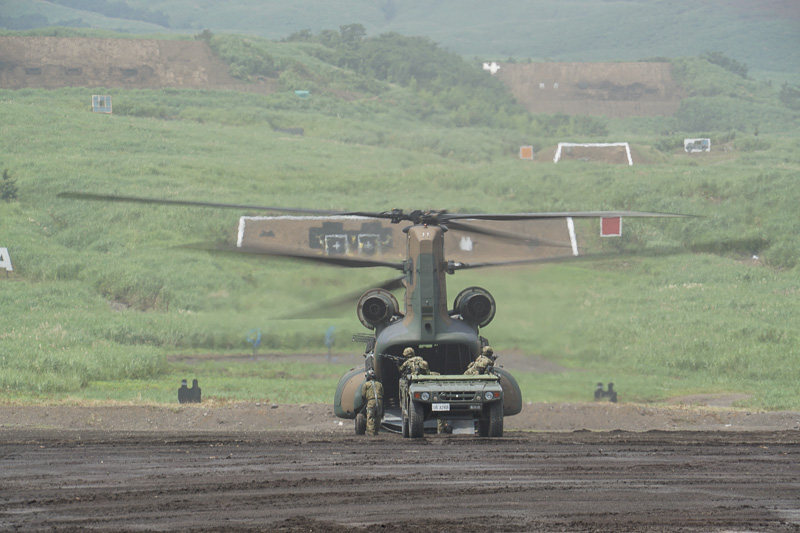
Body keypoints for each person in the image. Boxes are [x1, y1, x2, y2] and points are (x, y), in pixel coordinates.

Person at [360, 370, 384, 436]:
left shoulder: (366, 385)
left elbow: (363, 394)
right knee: (378, 417)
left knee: (370, 417)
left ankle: (371, 433)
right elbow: (382, 393)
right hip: (379, 401)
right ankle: (376, 432)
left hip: (371, 402)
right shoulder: (379, 384)